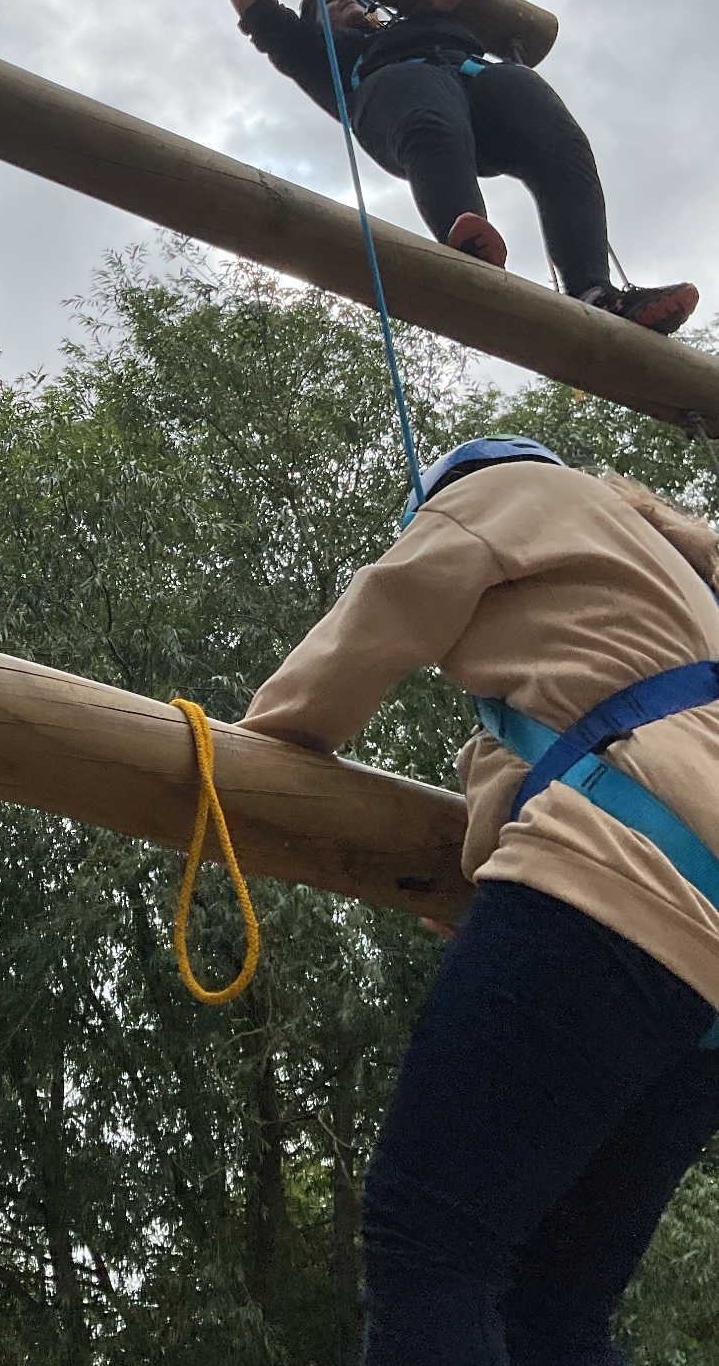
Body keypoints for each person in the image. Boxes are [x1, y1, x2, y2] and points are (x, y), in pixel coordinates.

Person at [241, 435, 719, 1363]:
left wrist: (264, 744)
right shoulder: (672, 606)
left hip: (621, 883)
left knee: (431, 1250)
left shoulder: (508, 492)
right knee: (554, 1313)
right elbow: (518, 771)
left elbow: (384, 614)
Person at [228, 0, 698, 334]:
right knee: (426, 109)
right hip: (400, 100)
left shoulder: (422, 13)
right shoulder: (322, 53)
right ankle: (467, 239)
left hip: (480, 85)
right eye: (328, 0)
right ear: (317, 24)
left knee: (555, 135)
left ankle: (595, 292)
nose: (345, 1)